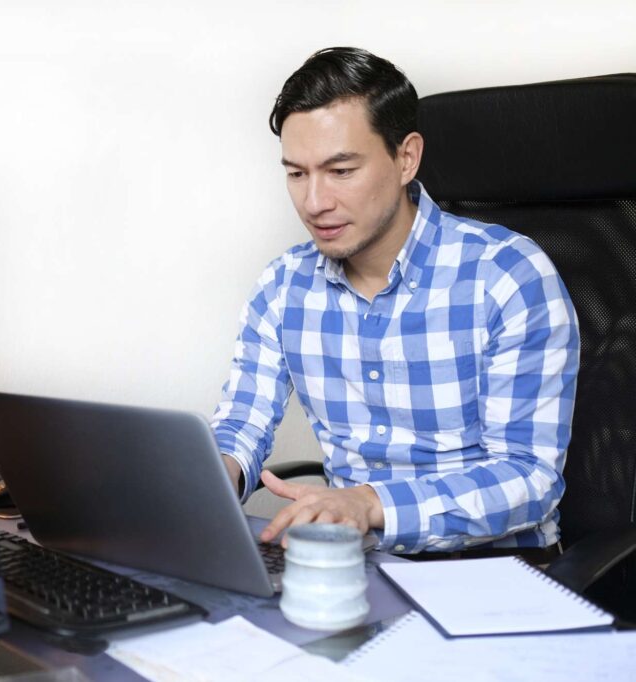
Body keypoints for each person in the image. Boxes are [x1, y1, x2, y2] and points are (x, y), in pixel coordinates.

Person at [212, 47, 580, 555]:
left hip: (495, 570)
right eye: (297, 174)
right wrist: (210, 477)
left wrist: (369, 503)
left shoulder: (507, 276)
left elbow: (529, 479)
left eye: (341, 170)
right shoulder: (283, 286)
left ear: (406, 158)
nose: (314, 202)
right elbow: (241, 423)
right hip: (357, 566)